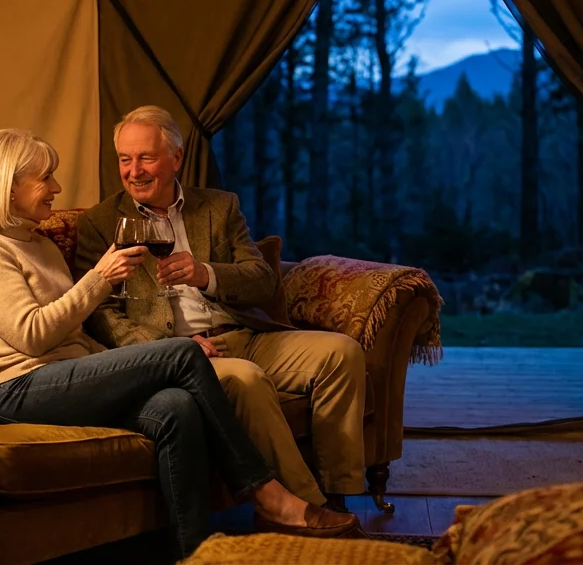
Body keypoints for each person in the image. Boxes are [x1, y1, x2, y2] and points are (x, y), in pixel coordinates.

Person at [0, 128, 358, 558]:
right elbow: (32, 337)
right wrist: (100, 280)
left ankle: (194, 553)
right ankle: (266, 493)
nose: (57, 188)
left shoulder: (39, 244)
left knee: (175, 407)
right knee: (181, 353)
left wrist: (118, 366)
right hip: (13, 390)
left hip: (60, 377)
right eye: (45, 178)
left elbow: (75, 337)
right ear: (8, 186)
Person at [75, 106, 367, 512]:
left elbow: (261, 279)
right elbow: (101, 313)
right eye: (125, 159)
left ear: (176, 158)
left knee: (342, 352)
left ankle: (341, 491)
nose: (134, 171)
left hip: (242, 335)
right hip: (181, 353)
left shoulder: (218, 206)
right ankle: (306, 508)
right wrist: (171, 350)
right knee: (246, 381)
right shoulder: (102, 223)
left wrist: (205, 274)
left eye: (146, 157)